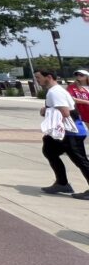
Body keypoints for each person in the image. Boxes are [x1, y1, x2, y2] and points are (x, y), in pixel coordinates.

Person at [37, 69, 89, 198]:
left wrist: (46, 111)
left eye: (38, 77)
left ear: (48, 77)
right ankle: (62, 183)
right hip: (64, 131)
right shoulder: (56, 91)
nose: (37, 80)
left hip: (70, 132)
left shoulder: (55, 93)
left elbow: (65, 113)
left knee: (81, 161)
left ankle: (62, 183)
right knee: (49, 150)